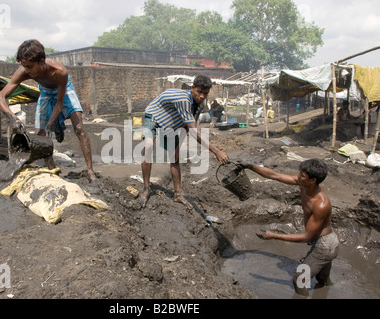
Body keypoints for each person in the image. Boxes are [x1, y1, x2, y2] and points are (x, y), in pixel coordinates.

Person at [0, 39, 97, 182]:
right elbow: (0, 98)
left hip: (64, 90)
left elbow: (60, 103)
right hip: (45, 91)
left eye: (30, 66)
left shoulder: (60, 72)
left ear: (41, 61)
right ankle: (52, 168)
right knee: (39, 134)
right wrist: (13, 118)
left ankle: (90, 171)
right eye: (24, 66)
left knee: (79, 128)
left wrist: (50, 123)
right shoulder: (24, 71)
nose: (27, 71)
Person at [239, 158, 339, 296]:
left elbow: (306, 236)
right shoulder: (304, 185)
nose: (298, 177)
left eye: (302, 176)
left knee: (299, 279)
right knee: (322, 278)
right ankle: (330, 293)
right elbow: (275, 175)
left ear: (313, 180)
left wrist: (273, 236)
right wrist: (250, 165)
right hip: (323, 243)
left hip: (325, 246)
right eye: (299, 173)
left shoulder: (321, 204)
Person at [141, 75, 229, 210]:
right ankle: (146, 189)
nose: (202, 96)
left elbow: (187, 126)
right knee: (148, 147)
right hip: (154, 115)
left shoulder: (199, 105)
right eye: (199, 92)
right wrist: (216, 151)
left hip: (173, 123)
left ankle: (177, 194)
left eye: (205, 93)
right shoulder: (184, 100)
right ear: (192, 88)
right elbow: (194, 132)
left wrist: (177, 145)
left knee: (175, 157)